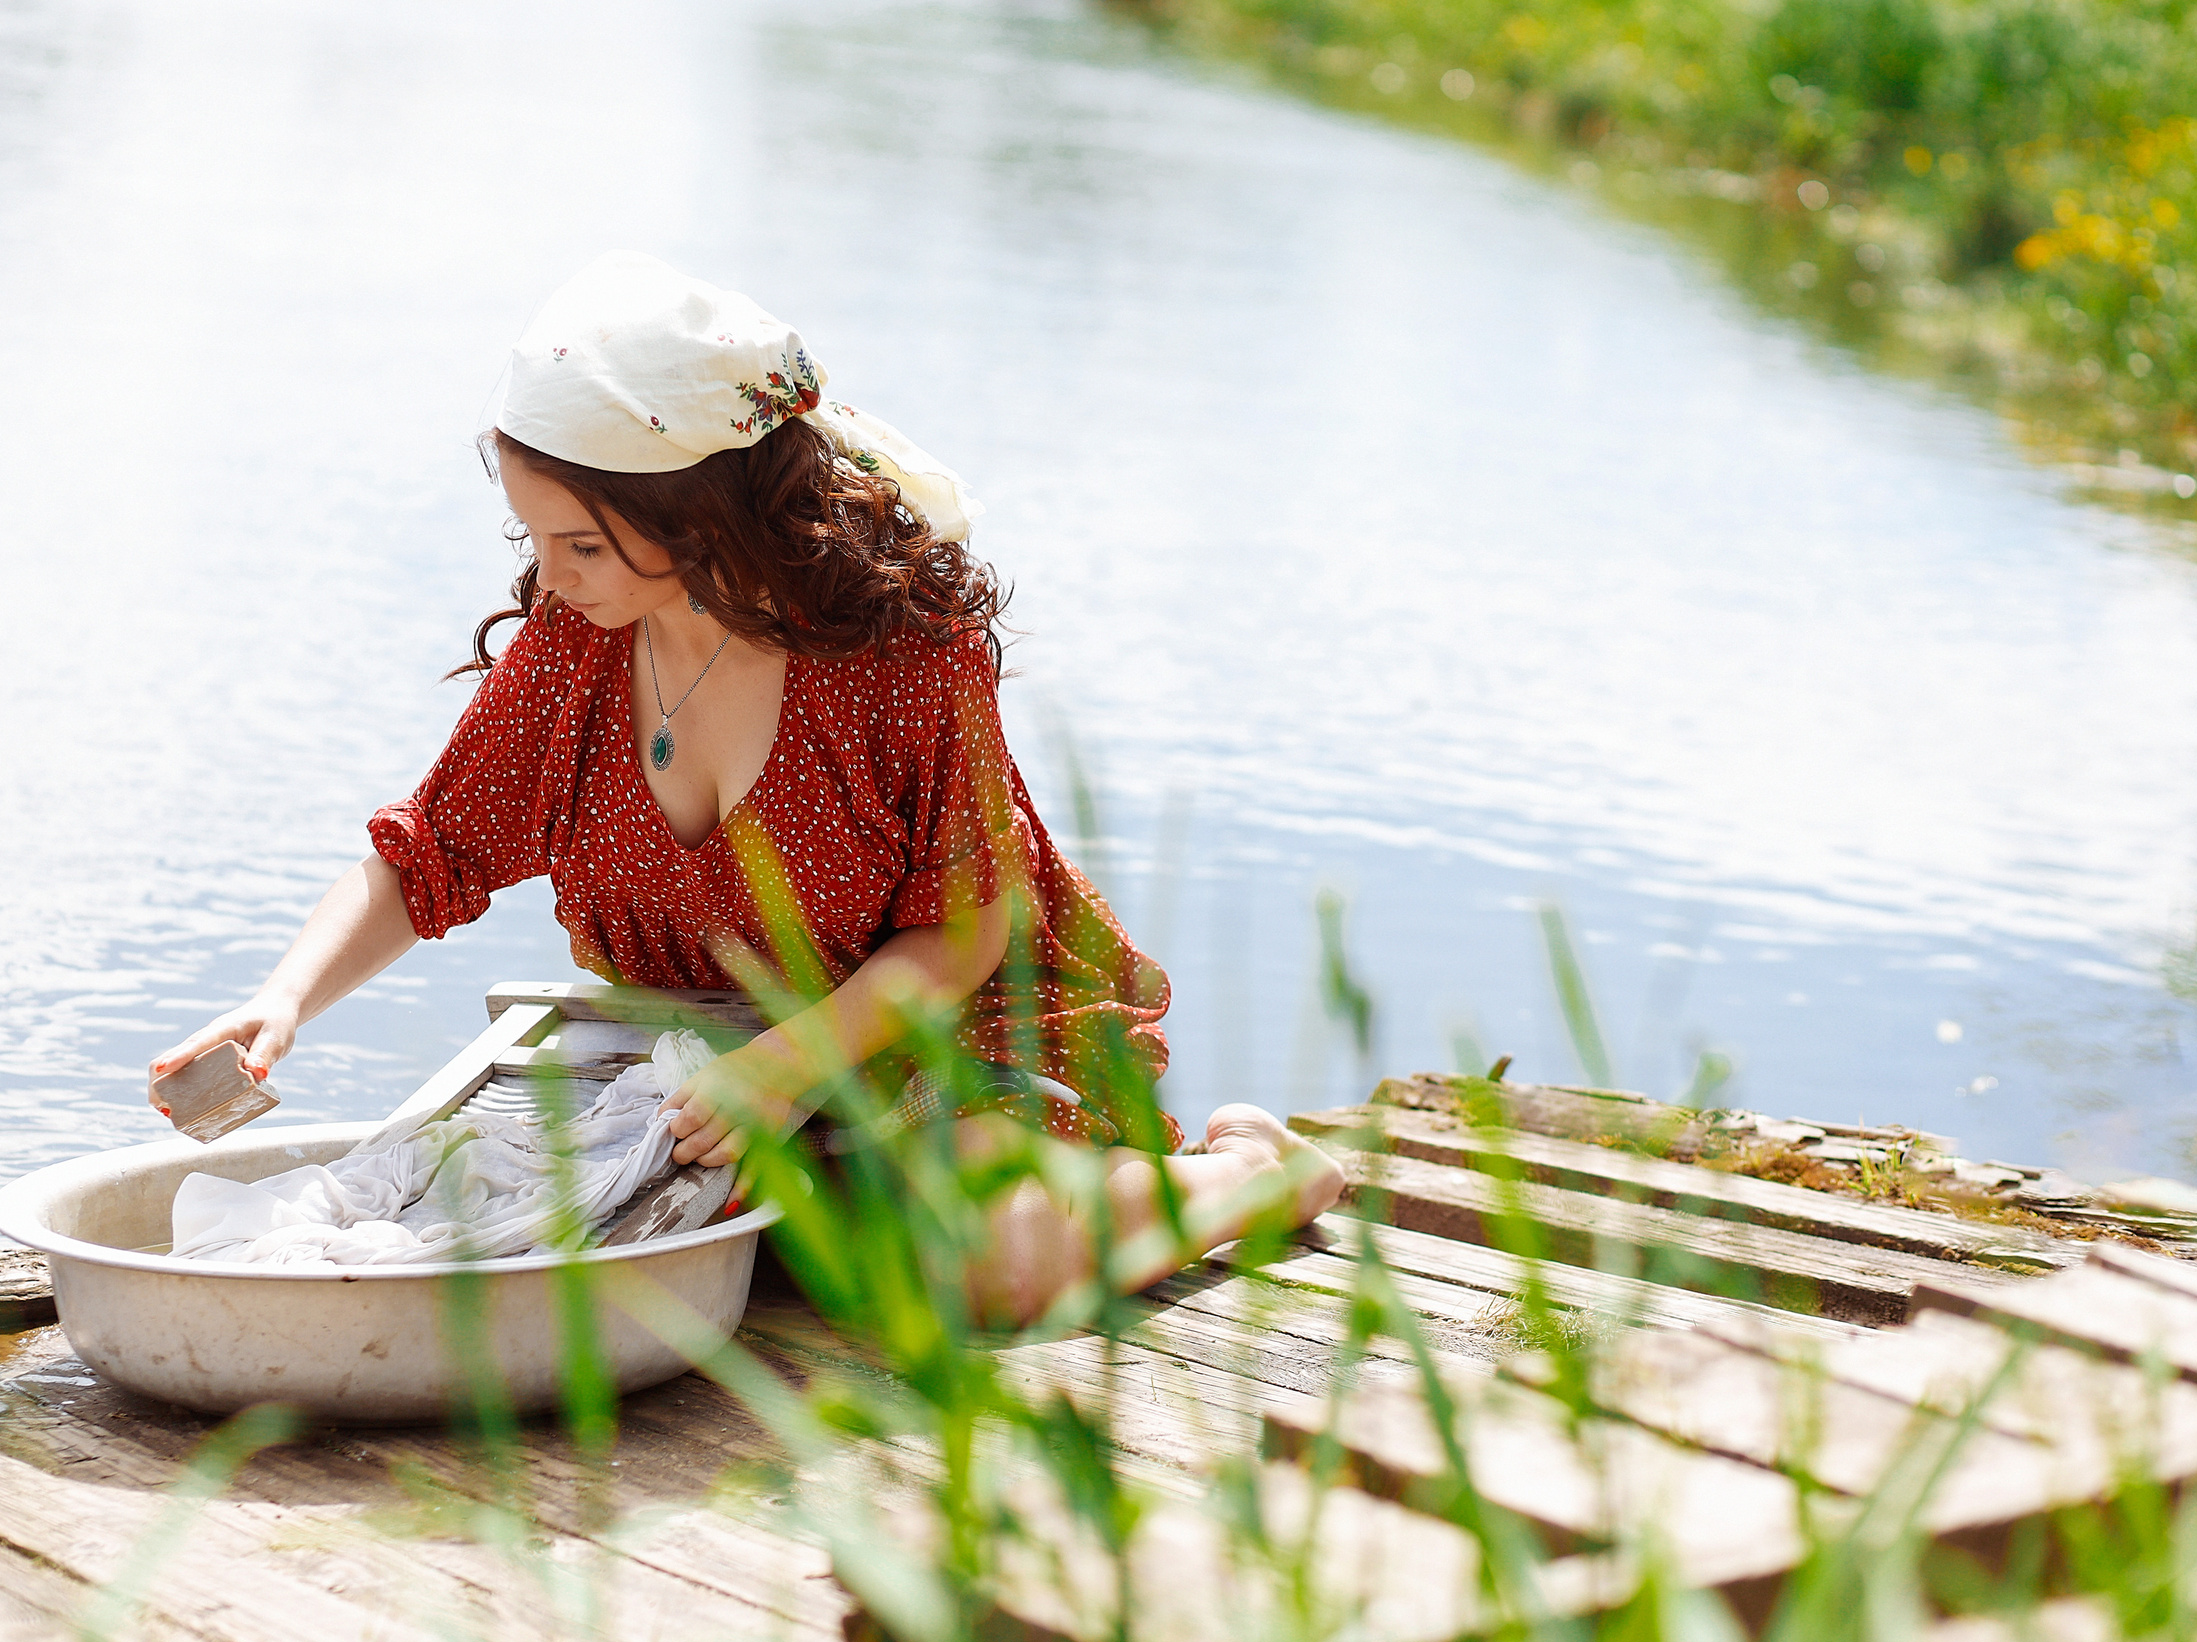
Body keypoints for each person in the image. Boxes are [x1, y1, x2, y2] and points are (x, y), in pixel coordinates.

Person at [149, 253, 1340, 1324]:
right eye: (536, 542)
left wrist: (791, 1068)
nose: (554, 580)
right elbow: (431, 856)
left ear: (699, 506)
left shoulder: (900, 654)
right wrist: (284, 1000)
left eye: (584, 544)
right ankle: (831, 1188)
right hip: (707, 1056)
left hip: (936, 1033)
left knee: (981, 1271)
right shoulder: (579, 642)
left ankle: (1247, 1174)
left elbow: (967, 930)